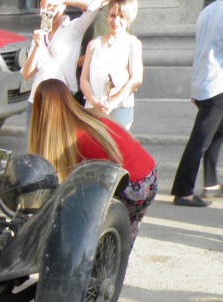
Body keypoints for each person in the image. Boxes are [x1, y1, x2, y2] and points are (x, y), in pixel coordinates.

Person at [30, 79, 156, 239]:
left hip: (132, 185)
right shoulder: (90, 117)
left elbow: (62, 186)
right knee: (120, 238)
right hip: (149, 177)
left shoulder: (72, 138)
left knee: (81, 232)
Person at [170, 0, 223, 208]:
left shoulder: (207, 11)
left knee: (217, 133)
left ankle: (210, 182)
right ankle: (183, 192)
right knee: (200, 140)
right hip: (217, 83)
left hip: (205, 81)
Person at [22, 0, 106, 115]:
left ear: (63, 7)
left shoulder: (73, 28)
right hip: (37, 99)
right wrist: (37, 46)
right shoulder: (39, 36)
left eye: (54, 7)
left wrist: (62, 0)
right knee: (33, 133)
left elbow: (95, 5)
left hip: (61, 99)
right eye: (46, 7)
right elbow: (26, 74)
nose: (50, 11)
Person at [80, 0, 143, 131]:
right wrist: (94, 102)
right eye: (112, 15)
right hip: (93, 108)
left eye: (121, 16)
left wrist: (112, 103)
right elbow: (84, 79)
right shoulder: (94, 45)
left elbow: (136, 79)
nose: (115, 21)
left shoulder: (133, 44)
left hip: (119, 108)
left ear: (128, 19)